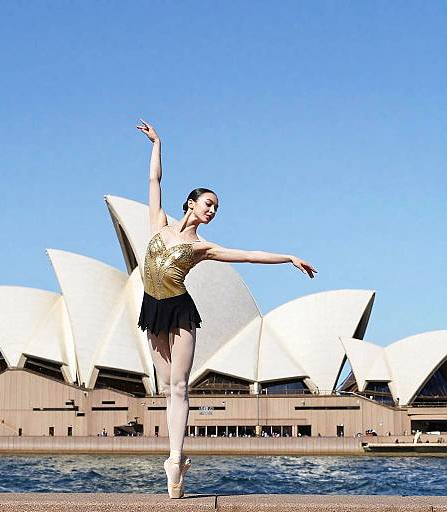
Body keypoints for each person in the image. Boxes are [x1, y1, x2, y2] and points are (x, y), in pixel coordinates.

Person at [136, 119, 317, 499]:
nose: (212, 211)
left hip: (180, 310)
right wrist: (157, 143)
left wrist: (287, 257)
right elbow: (154, 182)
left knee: (181, 386)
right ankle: (175, 463)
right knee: (165, 386)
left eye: (216, 208)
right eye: (208, 204)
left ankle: (174, 458)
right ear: (191, 203)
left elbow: (249, 255)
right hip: (152, 309)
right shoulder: (158, 224)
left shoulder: (204, 247)